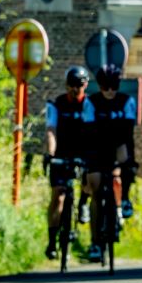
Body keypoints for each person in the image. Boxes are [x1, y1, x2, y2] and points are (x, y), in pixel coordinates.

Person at [80, 65, 136, 263]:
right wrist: (87, 161)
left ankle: (125, 198)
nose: (110, 91)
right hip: (96, 148)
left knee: (127, 161)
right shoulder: (91, 102)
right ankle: (95, 242)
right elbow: (87, 133)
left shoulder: (127, 101)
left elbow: (128, 134)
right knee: (95, 190)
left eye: (114, 86)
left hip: (118, 145)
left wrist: (126, 161)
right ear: (100, 86)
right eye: (106, 87)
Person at [42, 66, 94, 260]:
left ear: (85, 85)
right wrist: (51, 154)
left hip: (83, 152)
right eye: (71, 85)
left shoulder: (89, 105)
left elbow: (92, 132)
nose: (74, 89)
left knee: (91, 178)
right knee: (58, 196)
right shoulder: (57, 104)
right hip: (61, 153)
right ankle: (52, 241)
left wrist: (91, 155)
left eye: (79, 85)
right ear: (66, 85)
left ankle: (83, 203)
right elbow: (51, 131)